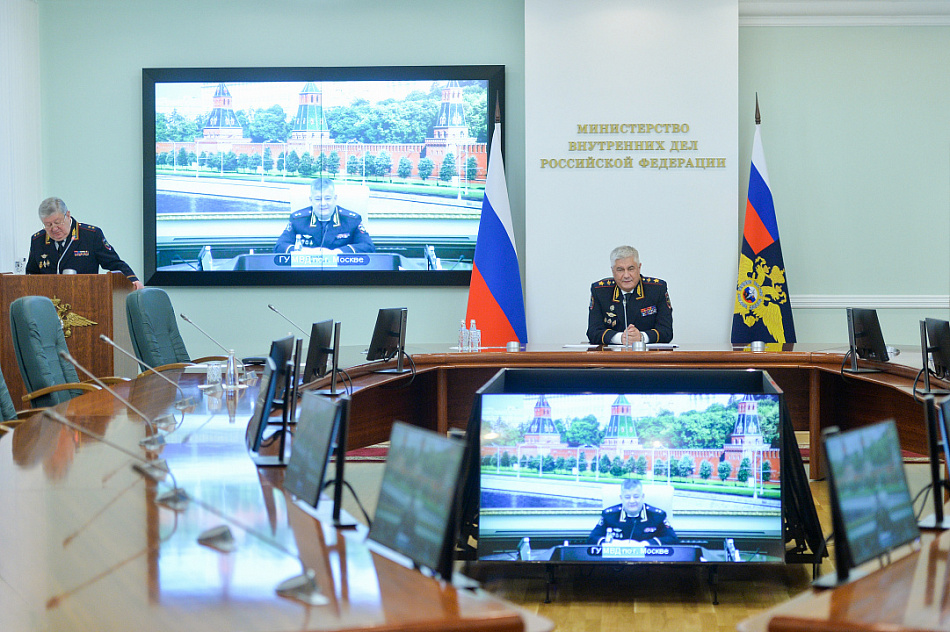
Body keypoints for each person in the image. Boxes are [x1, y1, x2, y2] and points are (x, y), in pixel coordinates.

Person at [25, 197, 144, 290]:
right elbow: (31, 274)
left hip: (86, 298)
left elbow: (114, 263)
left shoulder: (91, 235)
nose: (54, 229)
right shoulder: (38, 240)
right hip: (50, 303)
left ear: (68, 215)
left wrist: (132, 279)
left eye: (57, 222)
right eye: (48, 225)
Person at [587, 245, 672, 345]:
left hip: (648, 357)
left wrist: (641, 337)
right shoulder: (600, 291)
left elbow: (667, 332)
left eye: (631, 269)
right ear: (612, 271)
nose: (626, 275)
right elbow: (593, 332)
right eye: (620, 270)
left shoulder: (657, 289)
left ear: (639, 268)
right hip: (612, 357)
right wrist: (620, 338)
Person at [274, 178, 375, 254]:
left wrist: (338, 252)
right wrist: (304, 252)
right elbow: (279, 247)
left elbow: (368, 247)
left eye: (327, 198)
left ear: (335, 198)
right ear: (311, 200)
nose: (323, 203)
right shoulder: (298, 220)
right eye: (318, 199)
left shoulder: (351, 220)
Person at [587, 478, 678, 545]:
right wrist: (613, 543)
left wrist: (647, 544)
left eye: (636, 496)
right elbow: (592, 539)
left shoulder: (657, 516)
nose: (632, 501)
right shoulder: (609, 516)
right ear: (621, 498)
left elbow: (673, 539)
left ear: (642, 497)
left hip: (649, 564)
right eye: (627, 497)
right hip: (617, 565)